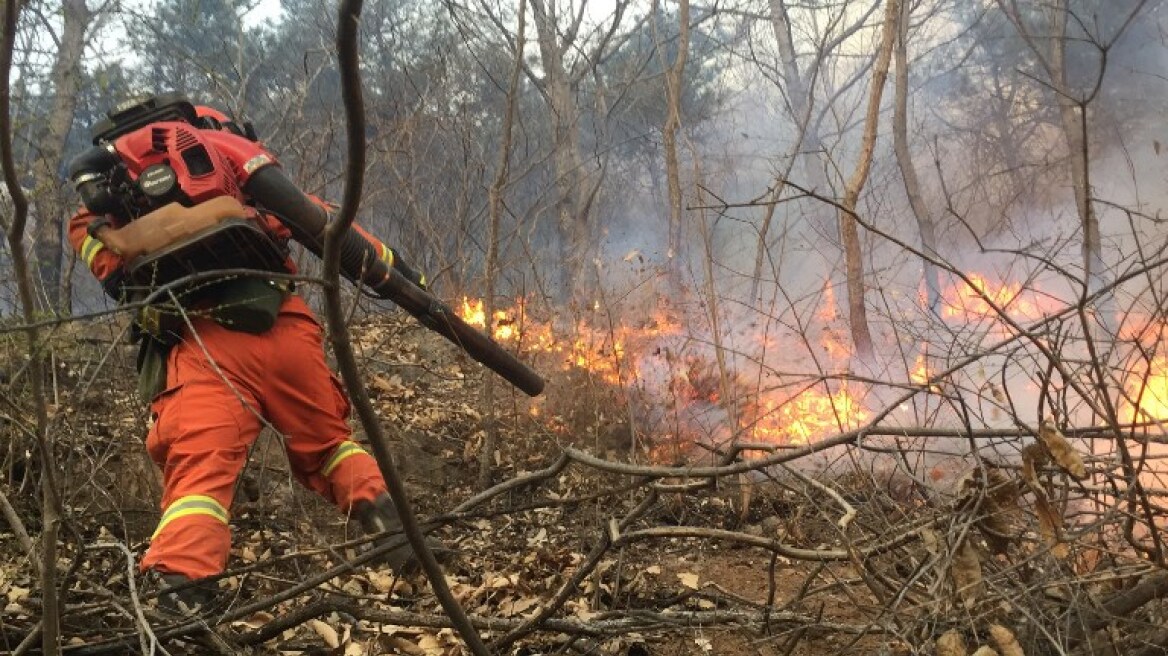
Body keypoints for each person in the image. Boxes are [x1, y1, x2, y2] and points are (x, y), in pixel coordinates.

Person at [67, 94, 437, 614]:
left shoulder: (95, 215)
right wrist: (404, 274)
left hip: (203, 346)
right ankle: (398, 538)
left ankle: (182, 602)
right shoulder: (236, 164)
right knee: (330, 444)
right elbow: (329, 228)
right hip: (285, 329)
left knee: (199, 480)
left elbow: (114, 277)